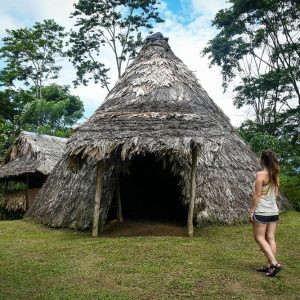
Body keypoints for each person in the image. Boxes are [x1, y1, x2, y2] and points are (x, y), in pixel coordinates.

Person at [249, 149, 282, 277]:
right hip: (274, 211)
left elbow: (257, 194)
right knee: (271, 238)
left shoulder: (260, 175)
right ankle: (270, 266)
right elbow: (276, 193)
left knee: (259, 237)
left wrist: (252, 211)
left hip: (262, 211)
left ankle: (274, 263)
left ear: (262, 160)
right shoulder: (275, 175)